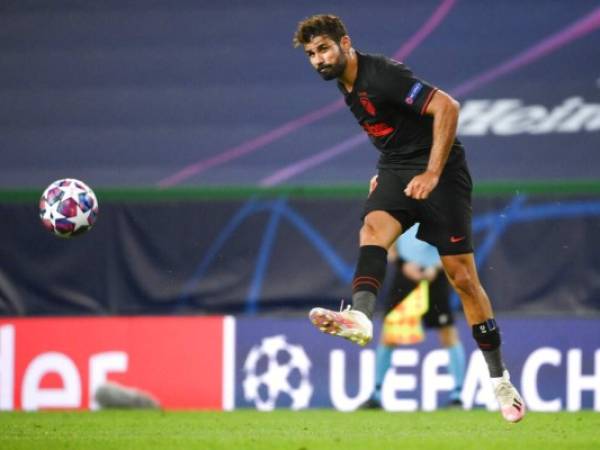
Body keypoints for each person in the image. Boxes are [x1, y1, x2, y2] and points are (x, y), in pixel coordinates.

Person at [293, 14, 525, 422]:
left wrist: (432, 173)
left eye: (324, 49)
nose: (318, 60)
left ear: (345, 43)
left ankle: (499, 380)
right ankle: (361, 317)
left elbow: (448, 107)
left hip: (443, 173)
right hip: (398, 169)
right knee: (371, 228)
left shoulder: (381, 75)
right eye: (311, 54)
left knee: (464, 279)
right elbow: (393, 132)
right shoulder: (346, 85)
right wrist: (386, 173)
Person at [360, 221, 465, 409]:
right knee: (389, 334)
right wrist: (403, 264)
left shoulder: (443, 205)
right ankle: (375, 395)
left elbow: (456, 242)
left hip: (437, 276)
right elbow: (388, 240)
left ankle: (457, 396)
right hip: (405, 275)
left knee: (447, 333)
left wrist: (437, 267)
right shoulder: (400, 203)